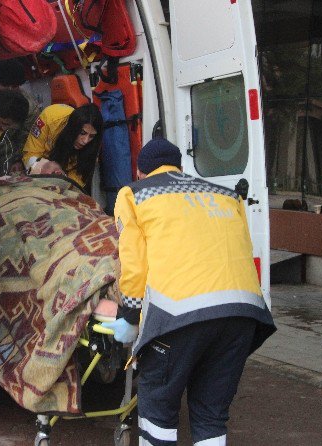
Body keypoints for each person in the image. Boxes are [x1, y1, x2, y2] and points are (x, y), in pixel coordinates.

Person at [101, 138, 276, 446]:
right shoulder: (225, 194)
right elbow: (245, 250)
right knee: (211, 414)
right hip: (242, 314)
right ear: (181, 168)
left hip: (178, 315)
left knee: (158, 410)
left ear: (140, 172)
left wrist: (129, 316)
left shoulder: (134, 194)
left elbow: (134, 264)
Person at [23, 103, 103, 192]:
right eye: (82, 133)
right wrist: (44, 169)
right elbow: (30, 153)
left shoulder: (94, 143)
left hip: (66, 174)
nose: (85, 141)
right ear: (73, 127)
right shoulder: (50, 117)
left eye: (91, 136)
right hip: (42, 167)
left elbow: (79, 177)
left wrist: (64, 184)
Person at [0, 58, 42, 151]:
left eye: (15, 86)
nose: (10, 90)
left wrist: (16, 159)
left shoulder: (29, 107)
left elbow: (26, 140)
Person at [0, 89, 29, 177]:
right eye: (4, 123)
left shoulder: (8, 135)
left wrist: (17, 160)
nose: (4, 128)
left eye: (9, 127)